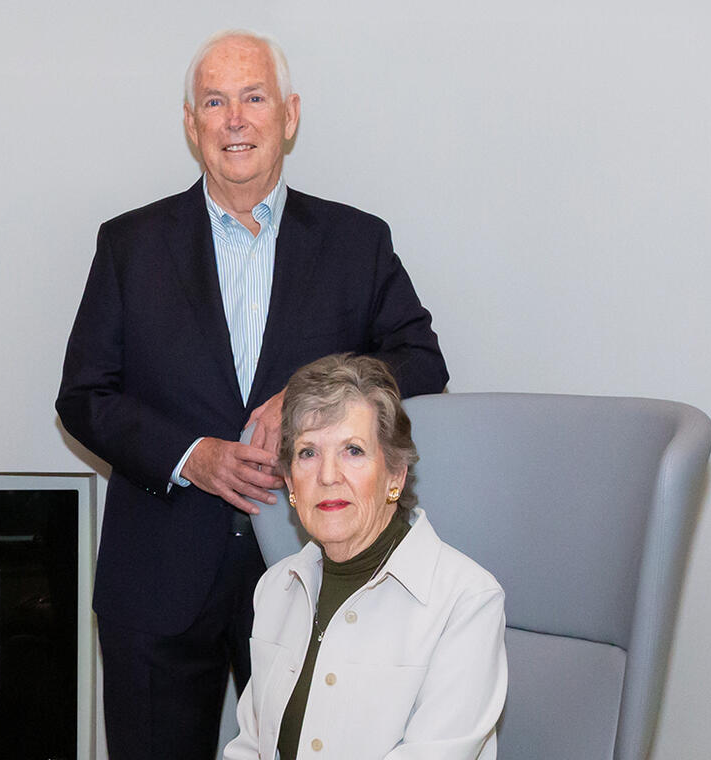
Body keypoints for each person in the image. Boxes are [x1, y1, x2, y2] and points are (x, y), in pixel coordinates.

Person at [56, 29, 449, 759]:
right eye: (214, 101)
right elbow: (83, 397)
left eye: (254, 98)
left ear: (289, 115)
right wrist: (190, 456)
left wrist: (309, 395)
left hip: (316, 578)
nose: (235, 119)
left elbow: (421, 360)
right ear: (190, 123)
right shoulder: (128, 245)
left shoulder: (355, 241)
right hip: (157, 584)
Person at [225, 353, 506, 759]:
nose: (327, 475)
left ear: (395, 474)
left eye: (353, 450)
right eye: (308, 453)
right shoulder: (276, 587)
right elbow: (250, 748)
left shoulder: (466, 601)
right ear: (289, 481)